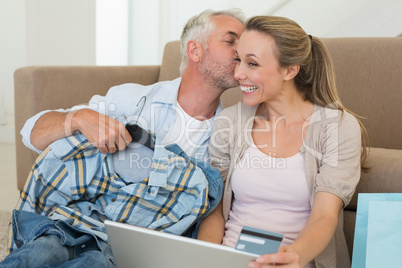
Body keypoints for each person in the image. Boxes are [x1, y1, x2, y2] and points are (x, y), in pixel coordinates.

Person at [1, 9, 245, 267]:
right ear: (195, 51)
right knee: (39, 254)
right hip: (83, 222)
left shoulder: (230, 131)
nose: (241, 50)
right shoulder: (132, 100)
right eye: (231, 41)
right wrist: (77, 118)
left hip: (145, 244)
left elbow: (214, 210)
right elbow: (31, 134)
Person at [197, 16, 368, 268]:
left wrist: (294, 256)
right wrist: (205, 259)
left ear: (290, 70)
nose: (238, 73)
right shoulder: (230, 121)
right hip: (230, 260)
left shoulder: (337, 127)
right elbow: (216, 209)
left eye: (252, 63)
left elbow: (324, 216)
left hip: (296, 260)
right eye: (238, 60)